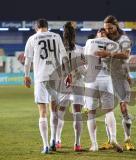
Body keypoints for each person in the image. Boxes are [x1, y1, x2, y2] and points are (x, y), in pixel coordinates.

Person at [24, 19, 71, 154]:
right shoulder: (56, 36)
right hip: (56, 78)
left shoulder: (32, 38)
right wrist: (68, 73)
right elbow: (64, 56)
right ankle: (53, 140)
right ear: (47, 27)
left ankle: (45, 146)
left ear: (36, 27)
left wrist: (27, 75)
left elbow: (28, 60)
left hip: (40, 78)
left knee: (42, 112)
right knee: (54, 110)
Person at [96, 15, 134, 151]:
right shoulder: (103, 39)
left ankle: (128, 139)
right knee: (108, 110)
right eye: (106, 28)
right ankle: (110, 140)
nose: (108, 30)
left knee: (124, 108)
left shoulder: (124, 39)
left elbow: (126, 55)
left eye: (110, 28)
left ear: (116, 26)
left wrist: (109, 54)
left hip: (121, 77)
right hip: (106, 78)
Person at [84, 28, 123, 152]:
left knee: (91, 113)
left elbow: (85, 61)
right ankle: (112, 138)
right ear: (107, 34)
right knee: (109, 111)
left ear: (97, 34)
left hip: (91, 80)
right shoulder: (114, 45)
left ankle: (94, 144)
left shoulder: (90, 42)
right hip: (106, 79)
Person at [55, 21, 85, 152]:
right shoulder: (80, 49)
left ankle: (57, 140)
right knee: (77, 112)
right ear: (74, 35)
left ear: (63, 35)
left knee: (60, 112)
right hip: (77, 82)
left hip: (63, 83)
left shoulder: (59, 50)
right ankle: (77, 144)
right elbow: (84, 70)